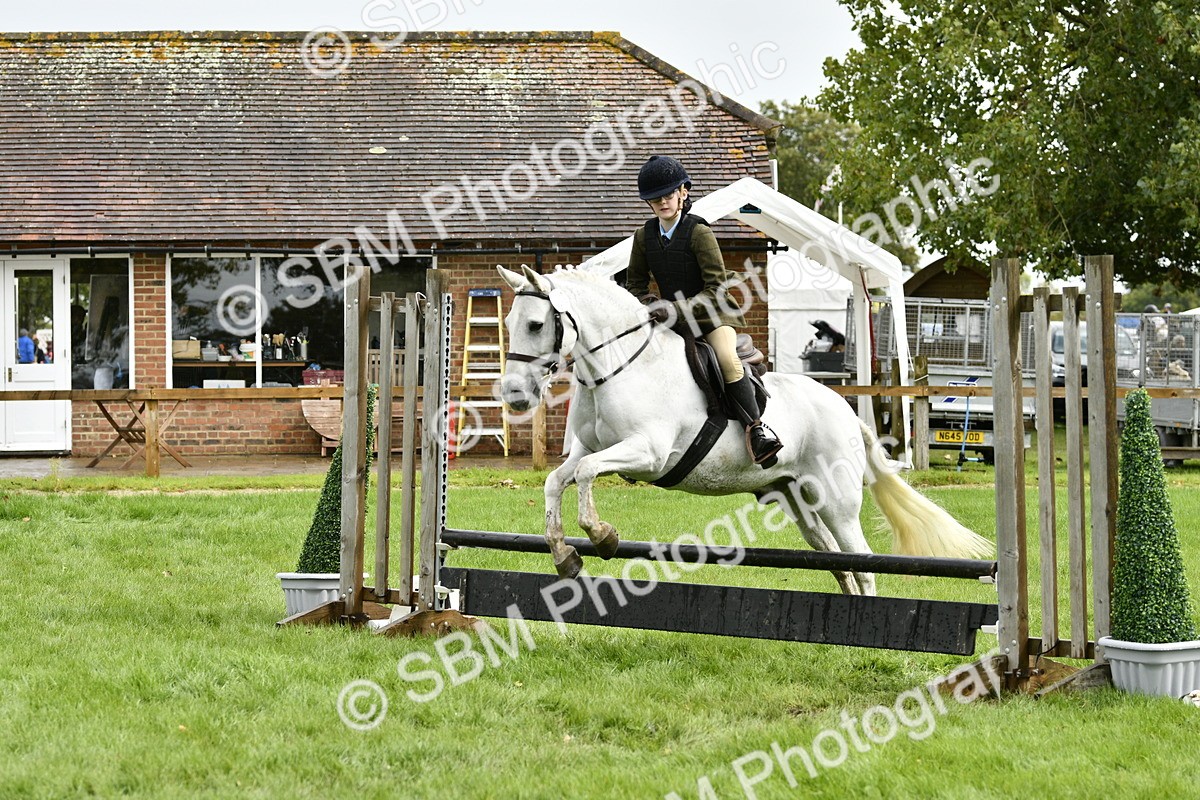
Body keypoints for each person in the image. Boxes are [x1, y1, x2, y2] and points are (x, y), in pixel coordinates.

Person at [624, 155, 783, 466]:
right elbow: (634, 286)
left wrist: (673, 309)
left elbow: (716, 289)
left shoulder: (699, 232)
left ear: (683, 192)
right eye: (654, 199)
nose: (662, 203)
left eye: (668, 195)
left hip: (713, 315)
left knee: (725, 358)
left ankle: (756, 429)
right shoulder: (644, 236)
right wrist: (649, 305)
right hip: (670, 318)